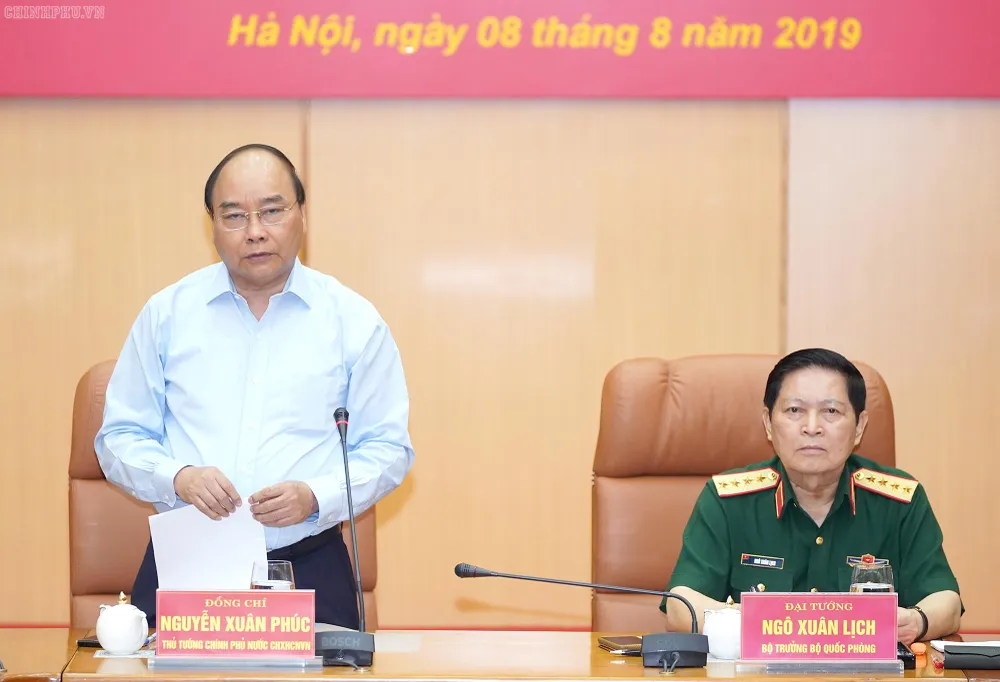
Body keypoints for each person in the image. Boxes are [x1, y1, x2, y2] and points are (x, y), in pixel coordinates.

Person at [95, 143, 414, 629]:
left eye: (272, 211)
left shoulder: (352, 321)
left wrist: (316, 495)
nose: (256, 231)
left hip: (309, 562)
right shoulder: (168, 315)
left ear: (301, 214)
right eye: (234, 216)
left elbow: (388, 449)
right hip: (188, 560)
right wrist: (178, 477)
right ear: (211, 224)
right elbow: (118, 437)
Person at [662, 348, 962, 645]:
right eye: (795, 410)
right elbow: (680, 605)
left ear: (859, 427)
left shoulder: (900, 500)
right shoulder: (727, 500)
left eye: (831, 411)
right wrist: (754, 621)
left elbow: (946, 601)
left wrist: (916, 621)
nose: (812, 428)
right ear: (768, 423)